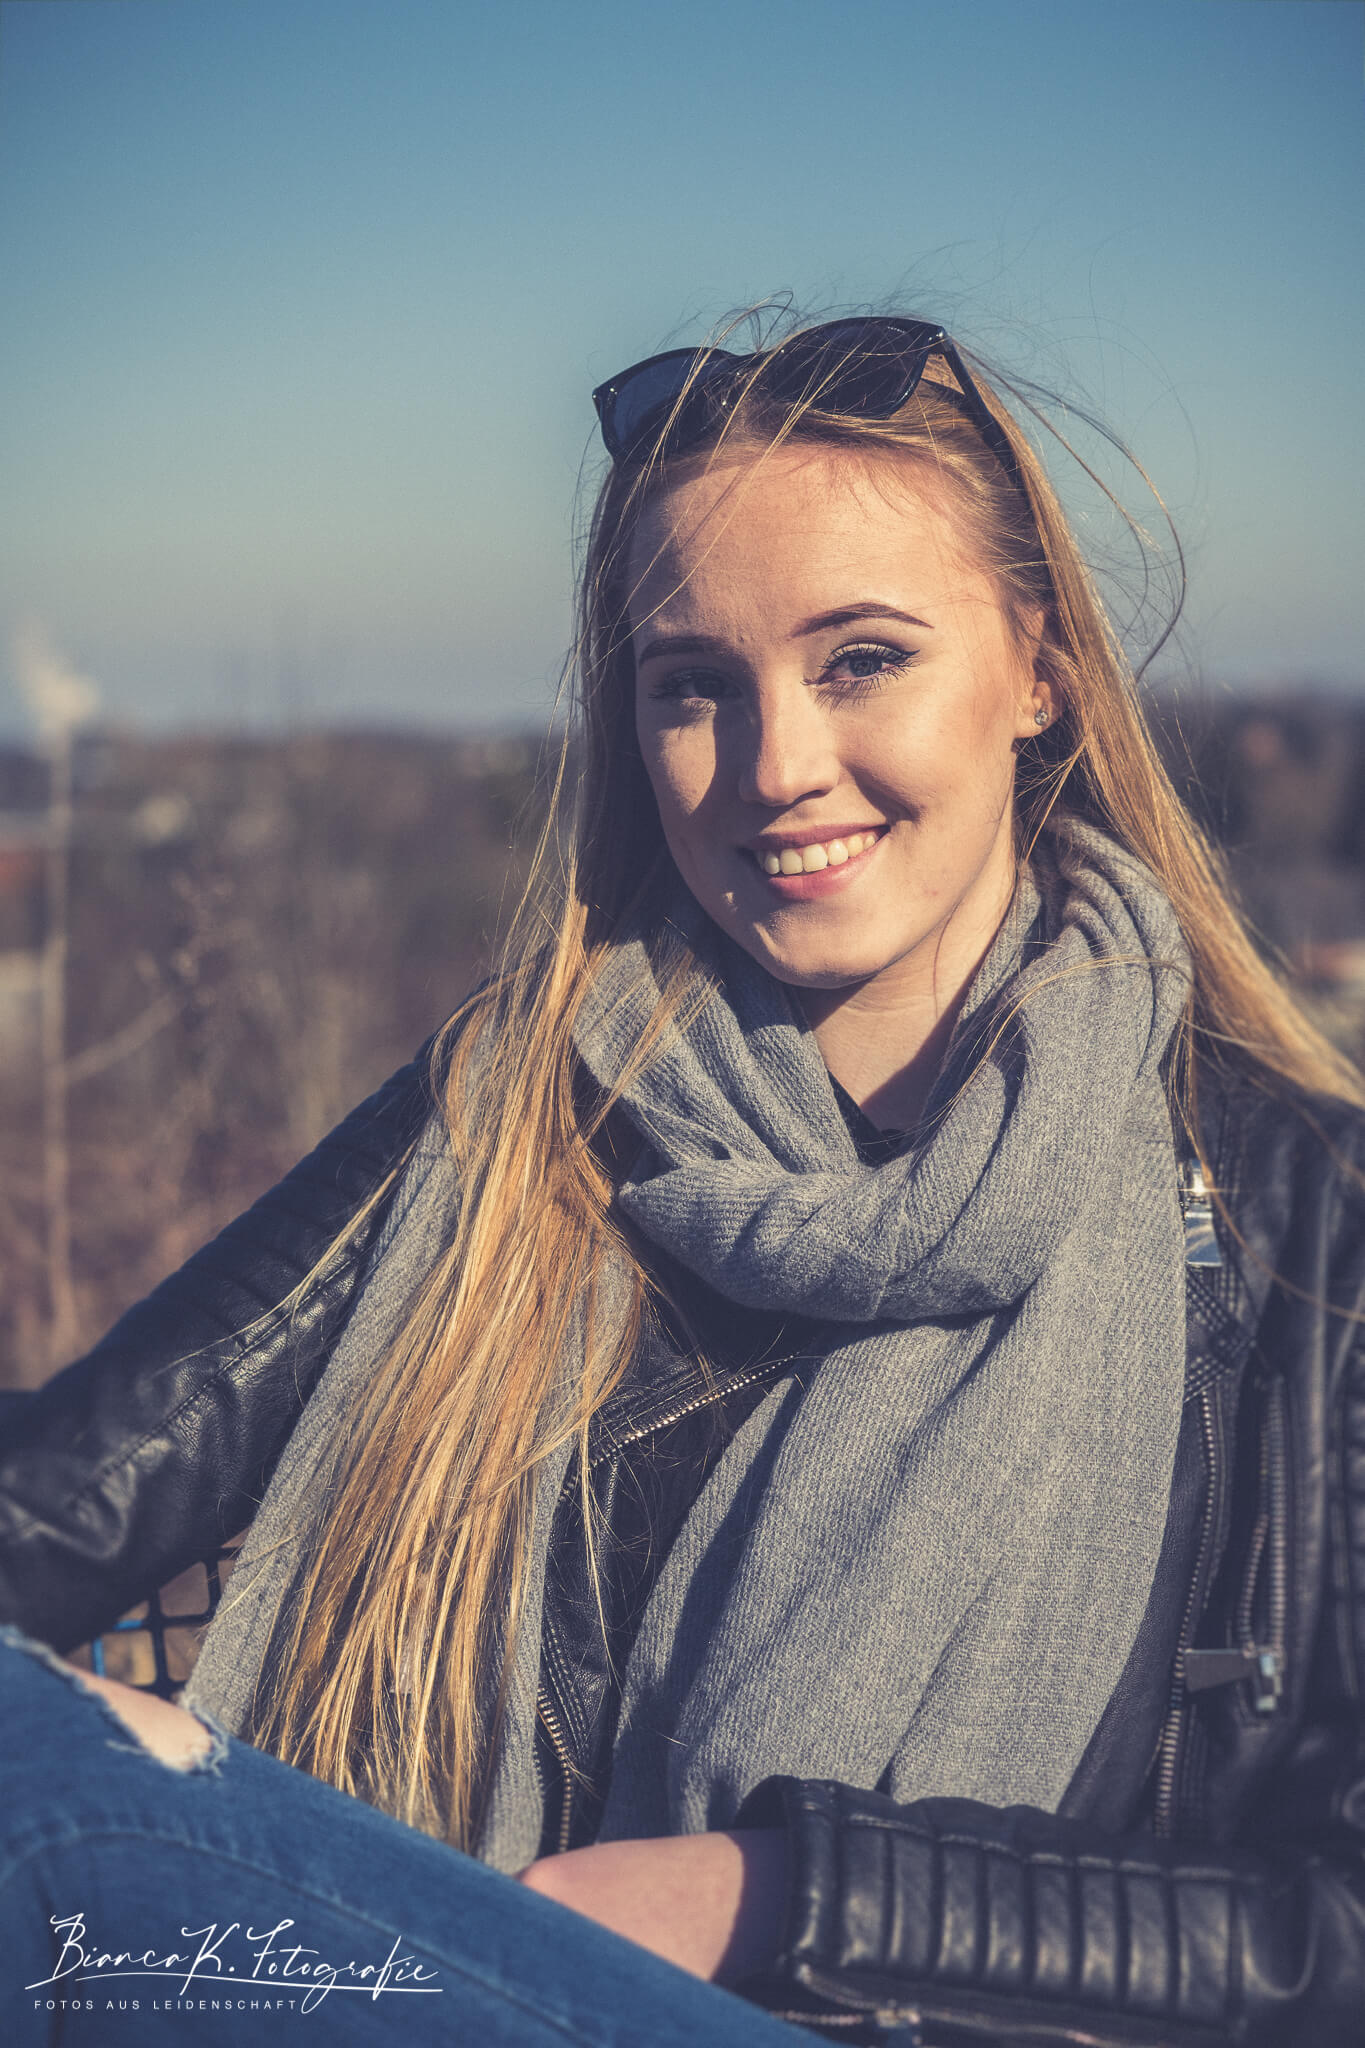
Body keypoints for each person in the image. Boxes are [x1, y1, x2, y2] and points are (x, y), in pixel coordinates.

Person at [1, 314, 1363, 2048]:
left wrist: (778, 1896)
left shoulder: (1301, 1218)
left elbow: (1337, 1919)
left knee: (55, 1809)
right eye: (694, 683)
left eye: (860, 658)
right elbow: (67, 1501)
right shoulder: (515, 1118)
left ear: (1038, 674)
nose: (776, 763)